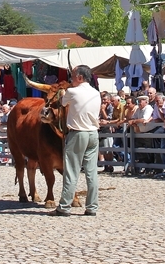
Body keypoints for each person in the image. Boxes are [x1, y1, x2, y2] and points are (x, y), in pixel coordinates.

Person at [48, 65, 101, 217]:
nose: (70, 78)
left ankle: (64, 206)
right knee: (91, 172)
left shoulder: (72, 91)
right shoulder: (96, 93)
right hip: (93, 133)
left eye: (72, 76)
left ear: (79, 77)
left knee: (71, 171)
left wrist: (64, 91)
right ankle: (92, 207)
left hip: (78, 133)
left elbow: (63, 103)